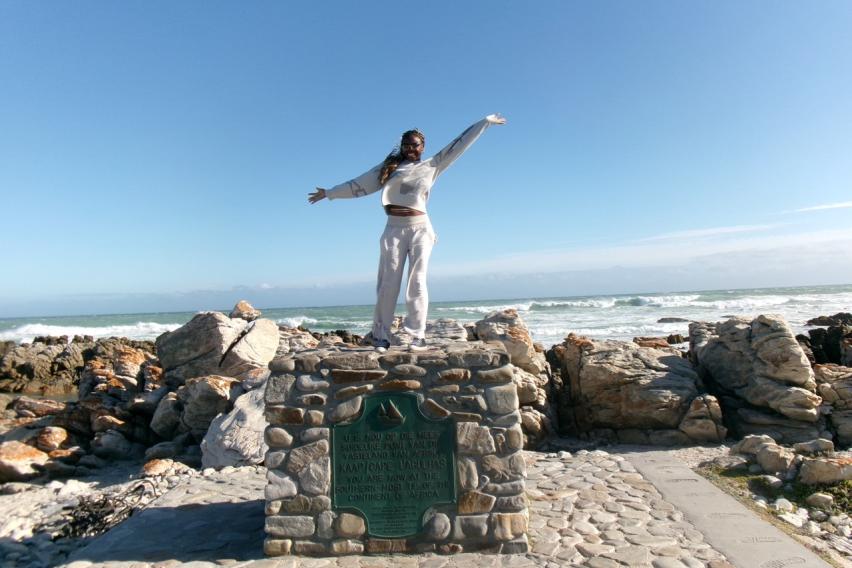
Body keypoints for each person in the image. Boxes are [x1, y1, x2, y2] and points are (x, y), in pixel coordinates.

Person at [308, 113, 507, 348]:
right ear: (402, 146)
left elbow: (458, 144)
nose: (411, 148)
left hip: (420, 229)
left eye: (416, 144)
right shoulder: (387, 169)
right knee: (387, 284)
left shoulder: (432, 165)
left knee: (417, 282)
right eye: (407, 144)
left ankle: (417, 335)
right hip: (393, 229)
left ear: (423, 146)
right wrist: (329, 193)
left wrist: (484, 123)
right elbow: (359, 184)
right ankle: (381, 336)